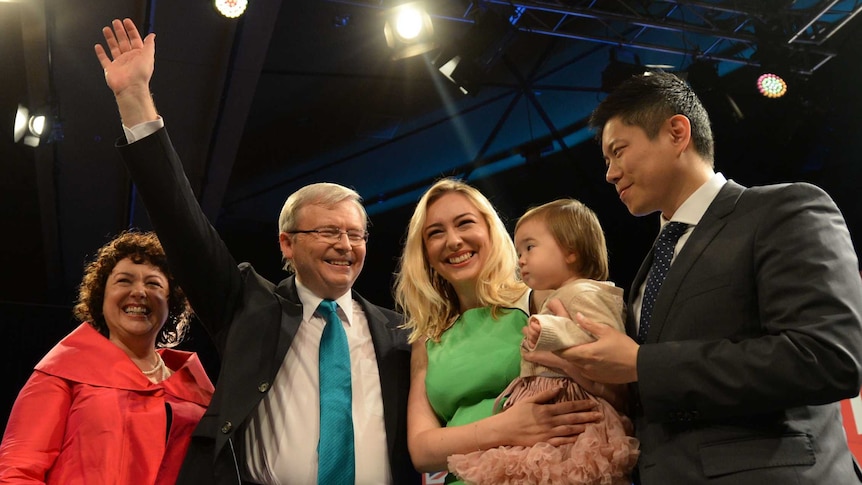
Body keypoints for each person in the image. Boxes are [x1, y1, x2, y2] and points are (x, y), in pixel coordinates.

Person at [95, 18, 419, 484]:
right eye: (328, 231)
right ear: (287, 243)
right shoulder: (247, 305)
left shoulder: (400, 333)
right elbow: (183, 225)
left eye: (356, 234)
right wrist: (134, 99)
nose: (346, 245)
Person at [528, 70, 862, 483]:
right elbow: (655, 389)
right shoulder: (649, 268)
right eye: (607, 160)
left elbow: (826, 358)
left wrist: (640, 364)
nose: (609, 173)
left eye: (618, 151)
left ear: (676, 133)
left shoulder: (785, 210)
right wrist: (592, 373)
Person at [394, 178, 604, 485]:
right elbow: (422, 450)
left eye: (464, 223)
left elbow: (606, 377)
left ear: (490, 230)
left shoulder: (537, 298)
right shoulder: (427, 337)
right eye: (435, 233)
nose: (453, 241)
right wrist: (504, 427)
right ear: (424, 254)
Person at [447, 198, 639, 484]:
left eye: (529, 247)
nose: (521, 259)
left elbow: (601, 344)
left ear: (571, 251)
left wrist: (549, 331)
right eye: (519, 250)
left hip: (574, 419)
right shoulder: (557, 295)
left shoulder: (585, 293)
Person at [0, 230, 214, 484]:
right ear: (101, 298)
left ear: (172, 302)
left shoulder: (198, 391)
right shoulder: (63, 371)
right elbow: (18, 471)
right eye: (124, 281)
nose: (139, 291)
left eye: (154, 283)